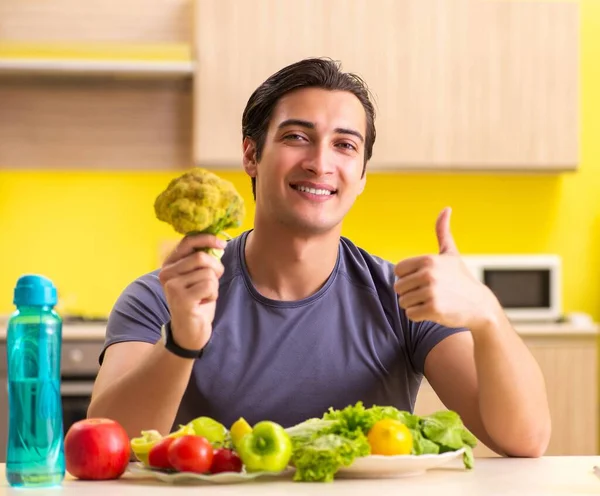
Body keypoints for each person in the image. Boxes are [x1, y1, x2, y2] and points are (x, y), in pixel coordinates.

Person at [88, 58, 551, 458]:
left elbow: (524, 440)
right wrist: (182, 341)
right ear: (252, 154)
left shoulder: (401, 298)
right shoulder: (160, 297)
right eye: (296, 136)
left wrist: (486, 313)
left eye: (345, 145)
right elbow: (108, 446)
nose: (320, 162)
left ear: (363, 174)